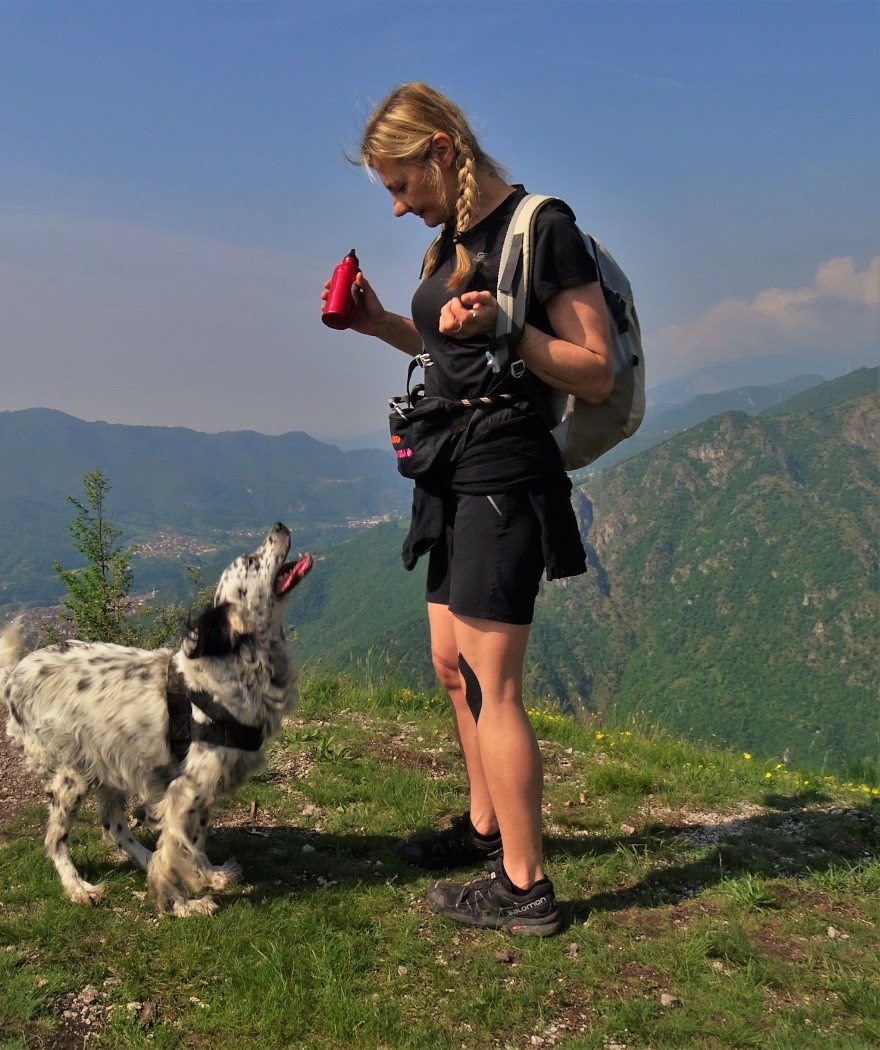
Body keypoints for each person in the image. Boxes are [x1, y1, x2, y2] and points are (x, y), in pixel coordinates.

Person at [323, 82, 613, 936]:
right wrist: (380, 322)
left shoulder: (541, 229)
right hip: (448, 465)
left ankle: (525, 890)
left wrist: (508, 333)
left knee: (496, 681)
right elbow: (443, 343)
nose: (397, 203)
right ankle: (487, 830)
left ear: (443, 150)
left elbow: (593, 367)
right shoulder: (450, 241)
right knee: (453, 665)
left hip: (505, 469)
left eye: (401, 182)